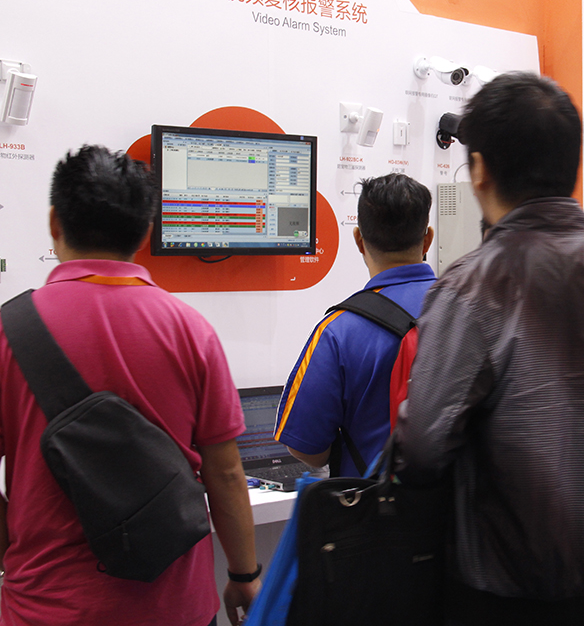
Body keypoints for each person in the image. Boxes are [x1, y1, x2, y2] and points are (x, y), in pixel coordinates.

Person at [395, 72, 584, 626]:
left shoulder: (473, 285)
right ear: (570, 164)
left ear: (479, 169)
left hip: (505, 589)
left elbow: (424, 447)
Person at [0, 145, 259, 626]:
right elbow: (225, 474)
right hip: (174, 607)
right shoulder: (190, 330)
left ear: (55, 222)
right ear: (145, 231)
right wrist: (245, 573)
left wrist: (16, 546)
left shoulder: (8, 332)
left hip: (45, 605)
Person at [275, 173, 435, 477]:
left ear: (359, 240)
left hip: (375, 502)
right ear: (427, 238)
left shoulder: (338, 331)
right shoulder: (471, 310)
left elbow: (305, 446)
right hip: (463, 502)